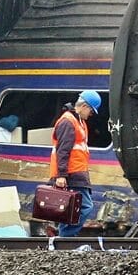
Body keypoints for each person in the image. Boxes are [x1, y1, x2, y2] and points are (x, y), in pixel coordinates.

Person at [49, 90, 101, 237]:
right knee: (85, 206)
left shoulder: (78, 121)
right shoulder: (68, 122)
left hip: (77, 173)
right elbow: (63, 151)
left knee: (71, 208)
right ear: (84, 106)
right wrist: (61, 175)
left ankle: (65, 237)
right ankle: (65, 236)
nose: (91, 115)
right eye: (91, 111)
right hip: (71, 174)